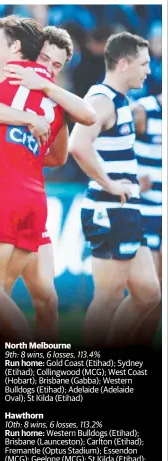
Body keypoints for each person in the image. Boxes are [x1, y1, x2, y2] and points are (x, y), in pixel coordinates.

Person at [0, 26, 97, 343]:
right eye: (45, 59)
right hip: (28, 195)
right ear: (34, 51)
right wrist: (25, 137)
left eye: (56, 66)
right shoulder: (51, 99)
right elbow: (59, 154)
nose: (48, 68)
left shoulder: (10, 73)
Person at [0, 16, 66, 343]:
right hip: (35, 195)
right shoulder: (56, 97)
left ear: (17, 48)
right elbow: (58, 156)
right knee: (2, 296)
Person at [69, 32, 161, 347]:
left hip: (126, 209)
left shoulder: (121, 101)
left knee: (150, 294)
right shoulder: (101, 100)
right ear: (123, 64)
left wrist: (132, 181)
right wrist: (109, 182)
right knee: (106, 300)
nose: (149, 70)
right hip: (108, 210)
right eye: (144, 63)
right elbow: (78, 145)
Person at [130, 91, 162, 344]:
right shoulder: (144, 110)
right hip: (146, 211)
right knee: (147, 292)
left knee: (159, 294)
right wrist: (129, 181)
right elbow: (103, 139)